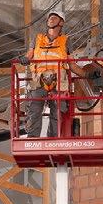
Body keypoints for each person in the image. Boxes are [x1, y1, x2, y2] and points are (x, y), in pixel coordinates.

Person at [18, 9, 71, 137]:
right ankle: (33, 140)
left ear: (61, 23)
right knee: (34, 110)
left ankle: (53, 140)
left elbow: (72, 63)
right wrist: (25, 59)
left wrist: (86, 74)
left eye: (55, 17)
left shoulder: (66, 40)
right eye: (49, 17)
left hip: (58, 83)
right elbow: (30, 54)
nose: (51, 19)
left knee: (57, 112)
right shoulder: (38, 38)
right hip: (38, 81)